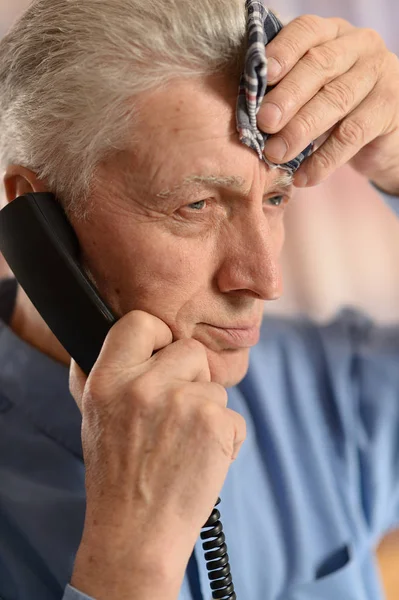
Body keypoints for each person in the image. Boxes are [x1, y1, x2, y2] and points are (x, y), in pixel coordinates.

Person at [0, 0, 399, 599]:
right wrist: (127, 566)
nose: (265, 280)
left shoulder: (330, 387)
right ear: (38, 213)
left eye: (275, 198)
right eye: (197, 206)